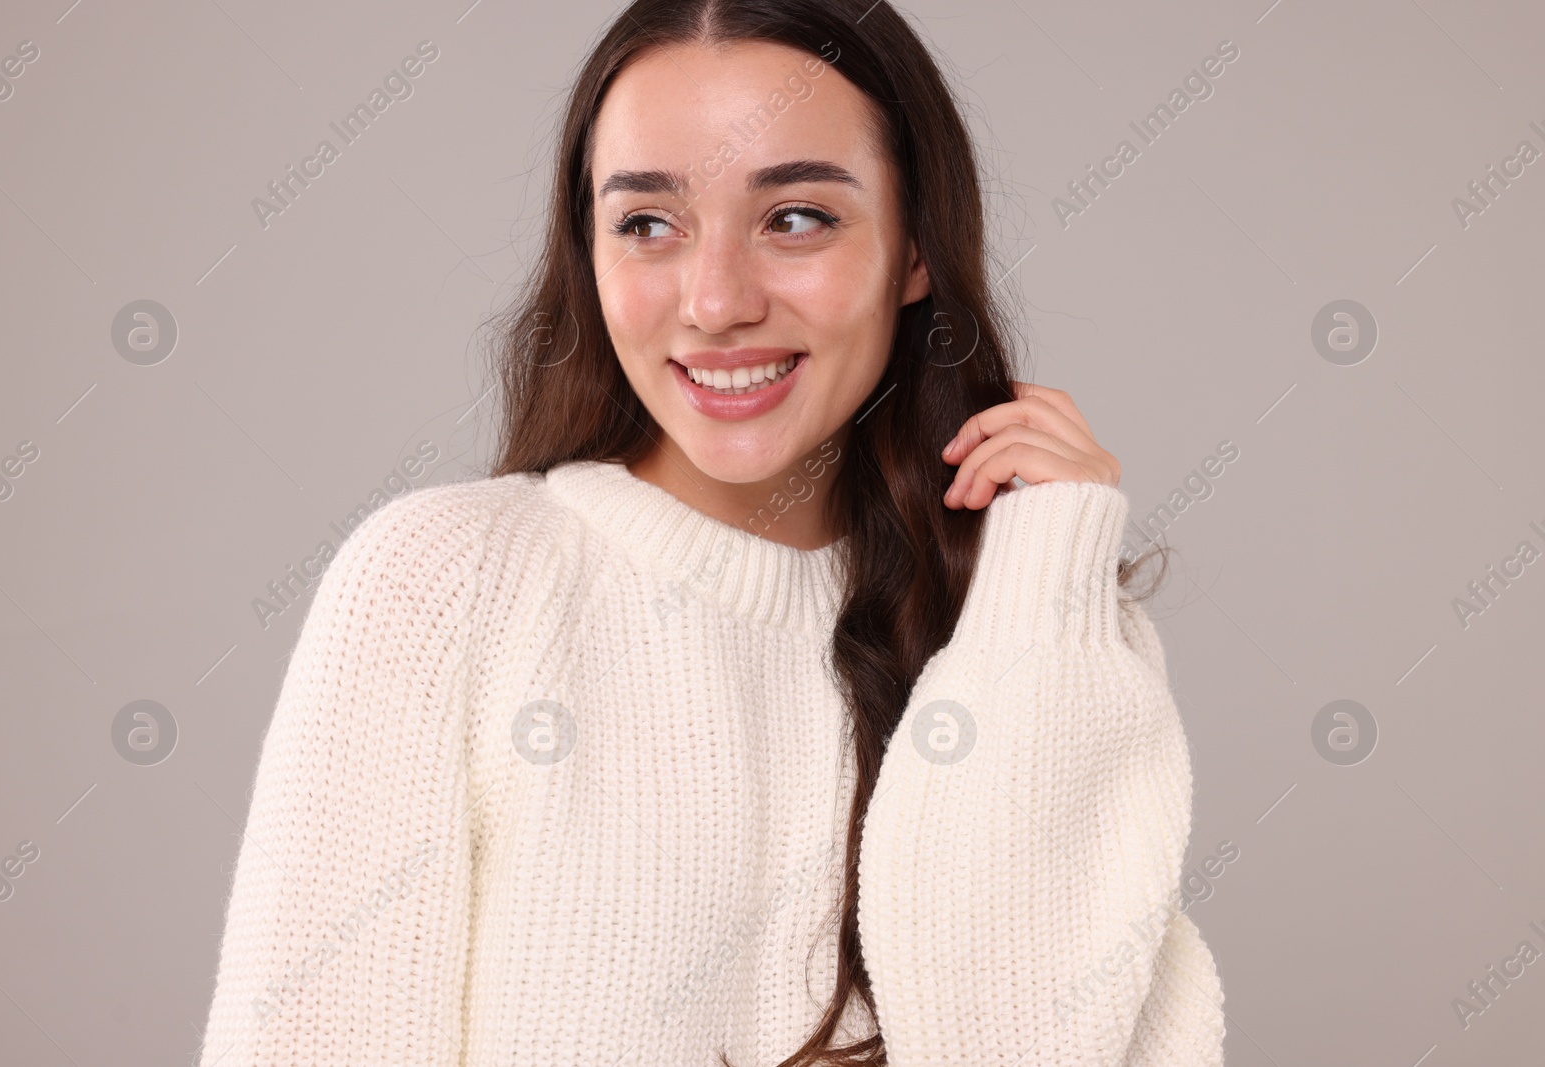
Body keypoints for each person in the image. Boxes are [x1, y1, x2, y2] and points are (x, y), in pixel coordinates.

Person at [195, 1, 1226, 1063]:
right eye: (647, 222)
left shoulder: (1033, 630)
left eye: (794, 218)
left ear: (914, 248)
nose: (715, 299)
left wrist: (1045, 586)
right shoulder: (444, 583)